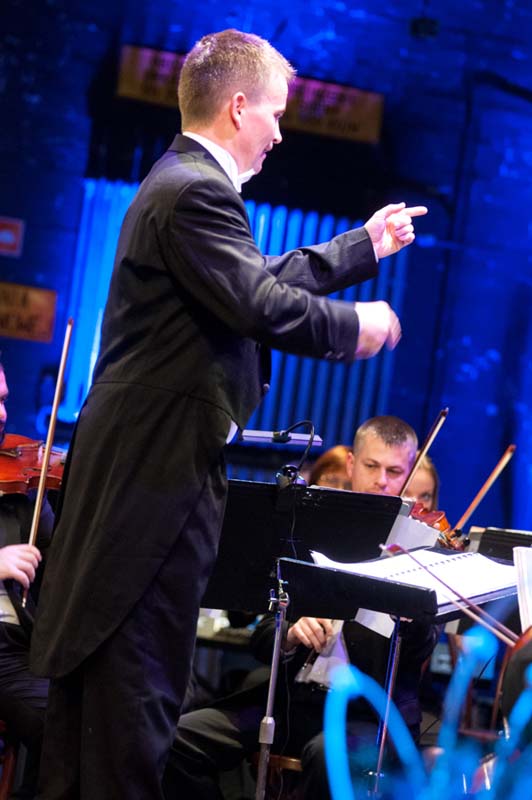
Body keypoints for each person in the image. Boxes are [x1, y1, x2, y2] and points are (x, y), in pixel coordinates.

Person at [30, 29, 427, 800]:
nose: (279, 133)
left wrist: (363, 247)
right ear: (239, 107)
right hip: (153, 490)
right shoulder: (197, 191)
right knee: (131, 719)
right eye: (274, 113)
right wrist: (357, 326)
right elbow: (258, 302)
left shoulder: (181, 185)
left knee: (101, 729)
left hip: (139, 485)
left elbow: (253, 278)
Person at [164, 416, 439, 800]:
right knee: (178, 741)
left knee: (328, 756)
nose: (381, 481)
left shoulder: (420, 548)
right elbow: (261, 636)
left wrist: (412, 614)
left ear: (409, 473)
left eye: (394, 472)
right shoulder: (311, 528)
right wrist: (291, 633)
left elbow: (421, 651)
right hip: (294, 701)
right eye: (371, 466)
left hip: (368, 717)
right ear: (351, 464)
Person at [0, 363, 53, 799]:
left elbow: (60, 561)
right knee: (59, 727)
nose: (3, 413)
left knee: (84, 717)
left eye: (2, 400)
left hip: (18, 648)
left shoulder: (21, 487)